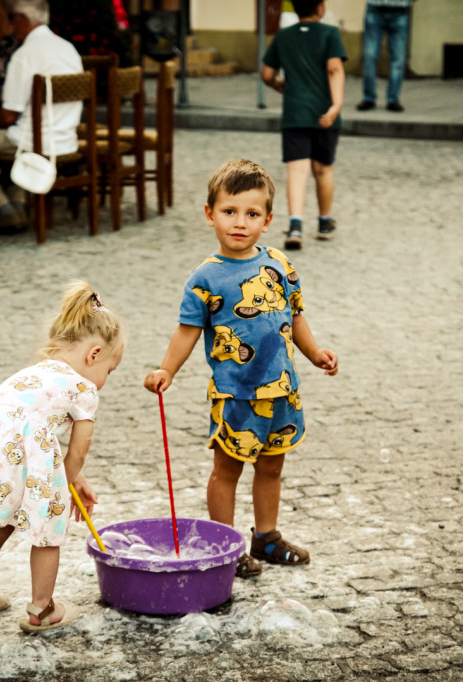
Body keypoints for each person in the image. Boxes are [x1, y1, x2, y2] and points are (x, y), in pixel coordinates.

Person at [143, 159, 338, 579]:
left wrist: (315, 352)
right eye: (230, 212)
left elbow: (296, 317)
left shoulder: (281, 266)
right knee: (226, 469)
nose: (240, 223)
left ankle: (265, 537)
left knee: (272, 467)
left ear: (267, 220)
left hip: (282, 391)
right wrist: (166, 370)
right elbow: (186, 332)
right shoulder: (205, 279)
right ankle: (223, 546)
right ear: (210, 213)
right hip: (236, 395)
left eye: (251, 214)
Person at [0, 280, 124, 631]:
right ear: (94, 354)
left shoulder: (33, 374)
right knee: (48, 530)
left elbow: (37, 437)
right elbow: (78, 450)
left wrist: (72, 477)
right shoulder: (83, 387)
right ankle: (42, 609)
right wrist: (65, 487)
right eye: (109, 371)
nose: (105, 379)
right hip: (20, 451)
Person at [0, 0, 82, 231]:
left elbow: (9, 115)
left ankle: (0, 206)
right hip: (66, 141)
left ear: (23, 19)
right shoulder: (68, 49)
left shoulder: (25, 55)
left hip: (32, 143)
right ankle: (17, 203)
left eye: (11, 18)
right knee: (12, 134)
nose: (10, 24)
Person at [260, 0, 346, 252]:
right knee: (324, 170)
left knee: (297, 171)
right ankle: (324, 222)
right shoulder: (330, 34)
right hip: (323, 113)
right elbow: (334, 69)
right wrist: (335, 106)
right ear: (320, 7)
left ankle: (295, 225)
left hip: (295, 113)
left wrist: (280, 86)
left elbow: (266, 74)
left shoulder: (284, 36)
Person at [356, 0, 415, 113]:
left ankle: (393, 99)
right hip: (375, 9)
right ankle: (369, 98)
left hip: (400, 11)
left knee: (398, 58)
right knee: (369, 56)